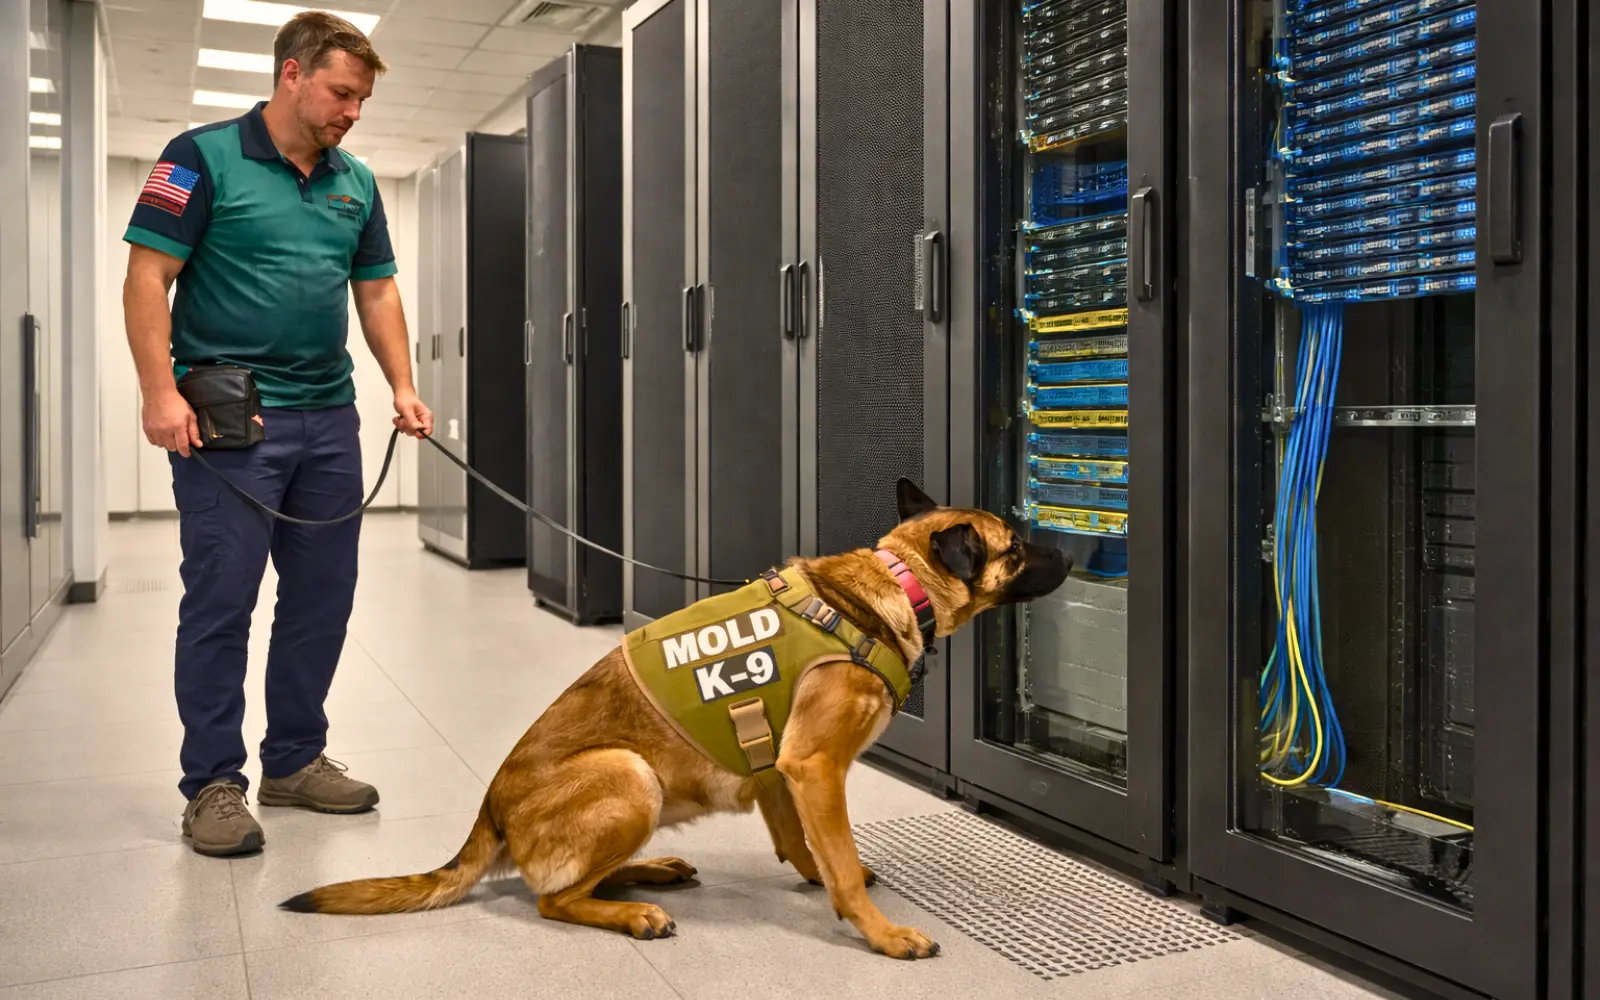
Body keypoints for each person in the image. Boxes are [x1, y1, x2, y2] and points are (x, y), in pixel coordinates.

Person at [121, 11, 432, 857]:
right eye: (342, 94)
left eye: (362, 101)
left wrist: (403, 385)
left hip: (329, 417)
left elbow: (376, 289)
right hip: (229, 420)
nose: (352, 113)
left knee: (323, 598)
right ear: (292, 74)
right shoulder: (199, 157)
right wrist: (158, 393)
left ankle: (293, 759)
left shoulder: (355, 181)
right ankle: (212, 783)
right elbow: (147, 276)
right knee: (223, 600)